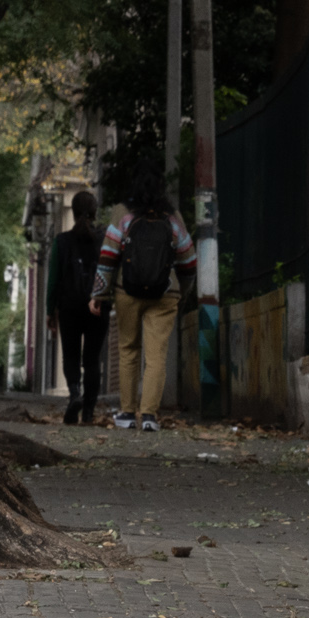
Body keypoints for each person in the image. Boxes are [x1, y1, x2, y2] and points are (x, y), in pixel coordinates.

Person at [92, 175, 197, 429]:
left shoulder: (122, 214)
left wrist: (98, 294)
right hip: (165, 294)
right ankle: (149, 416)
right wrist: (181, 291)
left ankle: (127, 415)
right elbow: (188, 259)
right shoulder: (172, 217)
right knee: (156, 355)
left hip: (127, 291)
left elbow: (108, 255)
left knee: (128, 350)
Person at [46, 190, 109, 425]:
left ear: (72, 213)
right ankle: (89, 412)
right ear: (94, 213)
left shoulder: (61, 242)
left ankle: (74, 394)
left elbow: (53, 279)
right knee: (92, 359)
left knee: (70, 355)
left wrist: (50, 310)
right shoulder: (104, 240)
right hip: (98, 306)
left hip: (69, 305)